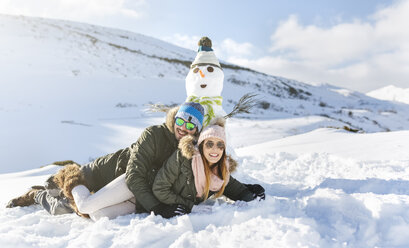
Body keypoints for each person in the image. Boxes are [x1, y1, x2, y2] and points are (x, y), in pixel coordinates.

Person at [7, 102, 206, 220]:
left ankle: (42, 192)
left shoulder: (189, 150)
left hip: (128, 191)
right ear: (174, 120)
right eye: (180, 121)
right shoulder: (154, 134)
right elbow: (135, 174)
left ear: (197, 130)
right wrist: (157, 207)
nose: (183, 128)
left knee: (80, 212)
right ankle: (37, 194)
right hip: (101, 175)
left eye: (190, 125)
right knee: (59, 200)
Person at [152, 117, 265, 215]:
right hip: (145, 198)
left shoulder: (221, 171)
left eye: (220, 145)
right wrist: (191, 206)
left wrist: (247, 199)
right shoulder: (183, 158)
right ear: (201, 146)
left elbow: (239, 191)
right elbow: (159, 188)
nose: (215, 149)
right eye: (209, 144)